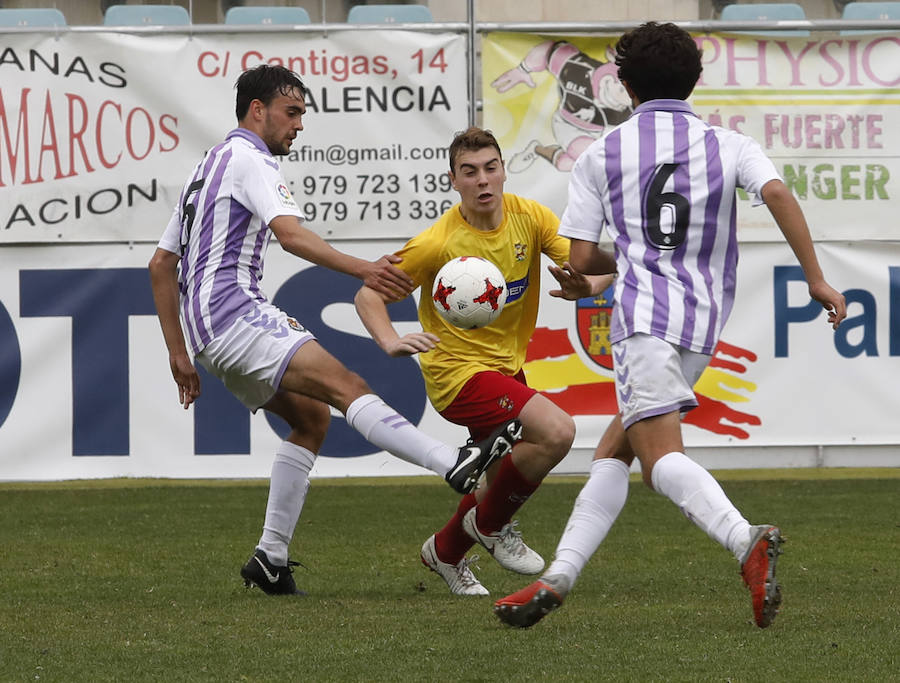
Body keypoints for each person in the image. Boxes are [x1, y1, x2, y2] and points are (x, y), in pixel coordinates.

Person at [493, 22, 847, 629]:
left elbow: (582, 257)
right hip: (701, 324)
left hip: (643, 322)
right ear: (694, 81)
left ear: (625, 85)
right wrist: (815, 278)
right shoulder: (729, 144)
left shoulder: (602, 152)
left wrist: (596, 276)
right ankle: (558, 577)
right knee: (615, 449)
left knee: (659, 461)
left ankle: (744, 538)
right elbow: (778, 195)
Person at [148, 65, 522, 597]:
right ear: (258, 110)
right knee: (349, 387)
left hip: (208, 330)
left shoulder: (208, 163)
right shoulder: (251, 159)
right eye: (292, 112)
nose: (299, 125)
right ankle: (452, 462)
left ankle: (270, 559)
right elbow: (292, 235)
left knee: (311, 419)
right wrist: (365, 269)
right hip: (234, 313)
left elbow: (161, 264)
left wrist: (179, 353)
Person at [354, 127, 613, 595]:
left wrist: (589, 287)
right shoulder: (438, 242)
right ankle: (490, 526)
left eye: (490, 168)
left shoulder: (530, 218)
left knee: (497, 482)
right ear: (453, 180)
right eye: (469, 172)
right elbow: (368, 294)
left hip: (505, 369)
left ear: (504, 171)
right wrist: (389, 340)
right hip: (456, 375)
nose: (482, 180)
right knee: (557, 432)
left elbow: (593, 265)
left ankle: (446, 551)